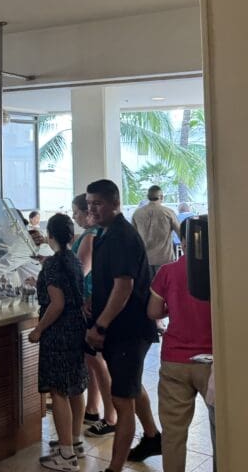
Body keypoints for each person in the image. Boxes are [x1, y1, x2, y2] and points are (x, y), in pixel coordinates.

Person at [84, 179, 162, 471]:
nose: (92, 209)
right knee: (129, 386)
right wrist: (93, 299)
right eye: (89, 203)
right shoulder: (104, 233)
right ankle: (152, 437)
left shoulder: (121, 236)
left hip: (128, 329)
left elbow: (124, 287)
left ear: (115, 203)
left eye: (98, 204)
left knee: (121, 399)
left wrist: (100, 326)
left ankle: (113, 468)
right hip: (118, 326)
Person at [147, 218, 213, 472]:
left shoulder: (168, 271)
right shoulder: (222, 271)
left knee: (174, 433)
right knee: (222, 431)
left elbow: (153, 312)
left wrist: (173, 307)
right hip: (213, 363)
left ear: (183, 241)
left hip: (175, 360)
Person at [28, 213, 88, 470]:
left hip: (58, 331)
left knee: (59, 390)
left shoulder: (52, 265)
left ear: (49, 236)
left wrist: (39, 329)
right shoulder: (73, 259)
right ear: (72, 237)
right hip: (76, 328)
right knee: (75, 385)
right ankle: (74, 441)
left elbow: (57, 303)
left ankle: (65, 456)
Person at [70, 194, 118, 434]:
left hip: (89, 304)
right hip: (94, 301)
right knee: (91, 360)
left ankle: (111, 415)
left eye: (77, 213)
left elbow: (80, 272)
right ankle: (93, 407)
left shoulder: (90, 236)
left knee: (97, 362)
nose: (75, 217)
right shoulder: (97, 234)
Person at [132, 185, 181, 278]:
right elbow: (181, 234)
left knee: (147, 290)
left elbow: (133, 238)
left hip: (145, 261)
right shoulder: (168, 212)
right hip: (165, 259)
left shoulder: (137, 213)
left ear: (148, 197)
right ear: (161, 197)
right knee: (165, 290)